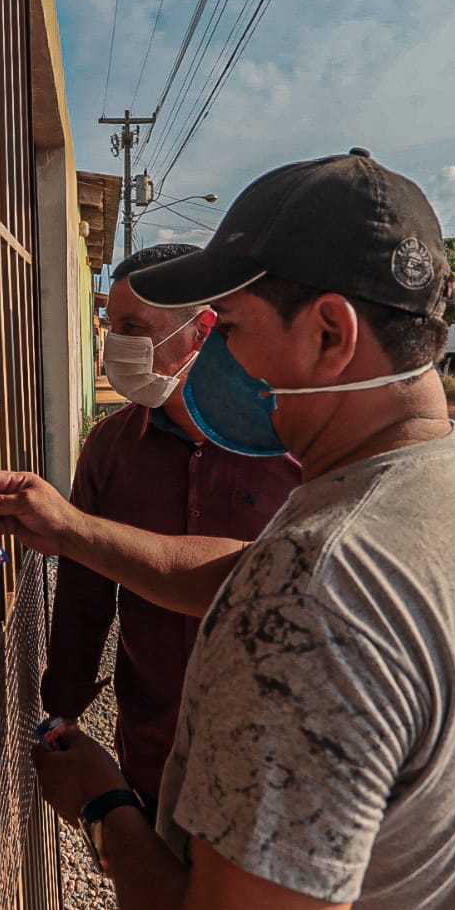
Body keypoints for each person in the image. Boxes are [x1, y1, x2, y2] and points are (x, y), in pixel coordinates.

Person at [0, 150, 455, 910]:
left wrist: (109, 815)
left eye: (230, 328)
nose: (213, 359)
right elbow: (246, 576)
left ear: (328, 333)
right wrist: (72, 530)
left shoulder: (316, 586)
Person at [45, 243, 300, 822]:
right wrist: (64, 700)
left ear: (203, 329)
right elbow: (85, 588)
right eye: (112, 326)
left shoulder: (293, 447)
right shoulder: (110, 448)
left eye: (134, 328)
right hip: (155, 749)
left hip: (277, 761)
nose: (115, 345)